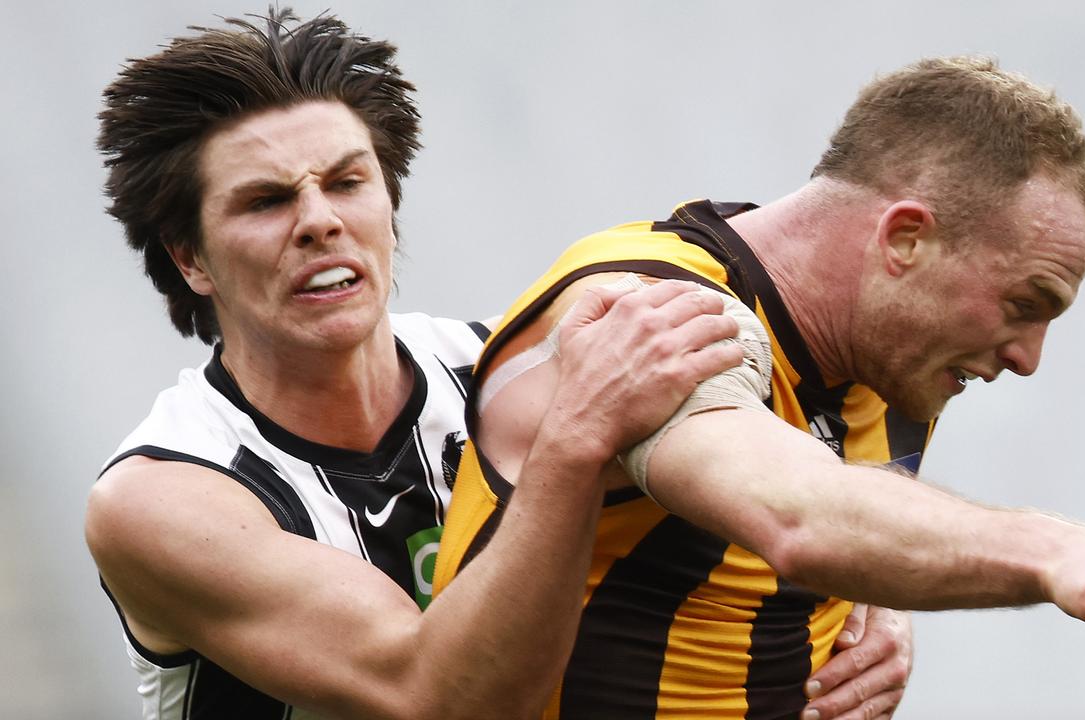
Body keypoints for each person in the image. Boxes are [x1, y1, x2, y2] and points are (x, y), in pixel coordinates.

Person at [84, 9, 908, 719]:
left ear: (388, 203)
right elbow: (442, 699)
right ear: (190, 258)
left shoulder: (500, 363)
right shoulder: (163, 499)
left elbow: (781, 457)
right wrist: (574, 439)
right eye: (266, 201)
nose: (319, 222)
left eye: (347, 182)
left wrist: (865, 606)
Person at [432, 56, 1085, 719]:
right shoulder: (655, 312)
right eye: (1026, 306)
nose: (1029, 357)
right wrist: (1059, 550)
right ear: (906, 239)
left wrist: (880, 594)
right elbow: (798, 517)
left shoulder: (888, 356)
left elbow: (843, 519)